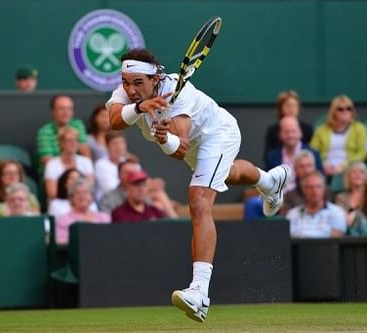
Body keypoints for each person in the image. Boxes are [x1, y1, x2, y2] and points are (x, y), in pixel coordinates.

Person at [106, 48, 290, 322]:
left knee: (199, 199)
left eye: (138, 83)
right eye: (126, 82)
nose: (130, 89)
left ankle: (199, 293)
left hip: (217, 134)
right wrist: (139, 107)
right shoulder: (128, 92)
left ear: (155, 78)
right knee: (227, 174)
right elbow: (114, 121)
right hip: (197, 149)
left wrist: (163, 138)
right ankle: (269, 180)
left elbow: (179, 148)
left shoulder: (181, 94)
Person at [310, 95, 367, 177]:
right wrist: (322, 166)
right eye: (340, 109)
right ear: (333, 112)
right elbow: (312, 152)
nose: (345, 111)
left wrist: (344, 166)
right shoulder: (321, 130)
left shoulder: (360, 129)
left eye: (349, 108)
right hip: (325, 167)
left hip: (350, 167)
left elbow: (362, 153)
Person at [36, 95, 91, 174]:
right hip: (55, 177)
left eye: (69, 109)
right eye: (62, 109)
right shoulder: (44, 132)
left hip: (78, 174)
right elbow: (48, 162)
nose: (66, 113)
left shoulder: (78, 125)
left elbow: (85, 151)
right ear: (53, 111)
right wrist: (70, 177)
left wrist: (87, 172)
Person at [264, 116, 322, 189]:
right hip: (279, 196)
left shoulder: (313, 154)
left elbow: (320, 179)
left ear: (300, 132)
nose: (290, 135)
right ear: (280, 134)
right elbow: (268, 182)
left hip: (304, 196)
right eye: (286, 132)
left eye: (293, 131)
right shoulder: (272, 157)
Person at [286, 171, 346, 238]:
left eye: (318, 186)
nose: (314, 190)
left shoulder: (337, 212)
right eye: (310, 187)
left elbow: (336, 240)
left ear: (324, 188)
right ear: (303, 189)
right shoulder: (293, 214)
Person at [44, 126, 94, 200]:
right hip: (61, 202)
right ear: (61, 143)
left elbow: (90, 188)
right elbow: (52, 194)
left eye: (76, 140)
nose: (73, 143)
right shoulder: (51, 165)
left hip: (83, 202)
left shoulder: (86, 162)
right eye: (69, 140)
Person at [56, 178, 110, 245]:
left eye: (86, 192)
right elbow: (61, 242)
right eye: (78, 193)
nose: (82, 196)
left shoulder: (104, 218)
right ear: (71, 198)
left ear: (91, 196)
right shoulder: (64, 220)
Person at [263, 90, 313, 159]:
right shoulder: (272, 131)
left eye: (294, 105)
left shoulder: (307, 129)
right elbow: (267, 156)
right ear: (280, 108)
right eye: (288, 105)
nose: (291, 109)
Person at [94, 131, 137, 201]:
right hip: (110, 202)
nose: (119, 147)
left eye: (122, 143)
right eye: (115, 144)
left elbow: (141, 182)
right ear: (107, 146)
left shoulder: (131, 162)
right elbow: (110, 188)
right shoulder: (100, 164)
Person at [334, 161, 367, 227]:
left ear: (366, 176)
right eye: (354, 172)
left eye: (361, 172)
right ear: (348, 177)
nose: (358, 175)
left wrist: (355, 214)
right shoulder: (340, 197)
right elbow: (341, 219)